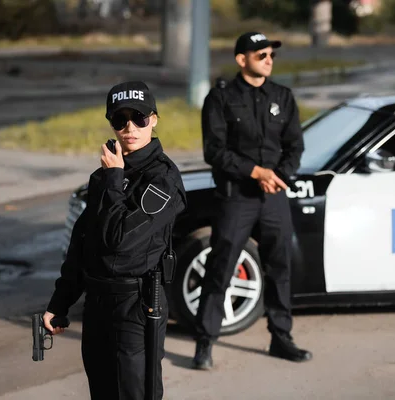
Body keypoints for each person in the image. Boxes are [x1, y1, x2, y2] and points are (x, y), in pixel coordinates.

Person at [42, 80, 187, 399]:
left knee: (133, 393)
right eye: (120, 119)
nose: (130, 127)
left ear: (154, 119)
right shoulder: (106, 174)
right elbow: (83, 243)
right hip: (97, 304)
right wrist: (60, 301)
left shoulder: (163, 179)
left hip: (135, 305)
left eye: (139, 117)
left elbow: (121, 241)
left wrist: (113, 178)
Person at [191, 31, 310, 370]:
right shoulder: (221, 98)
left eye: (271, 54)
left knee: (280, 265)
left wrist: (279, 176)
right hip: (236, 196)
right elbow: (214, 150)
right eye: (261, 55)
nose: (269, 60)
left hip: (273, 196)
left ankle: (281, 336)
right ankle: (205, 340)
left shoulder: (283, 97)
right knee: (221, 265)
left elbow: (295, 146)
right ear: (241, 60)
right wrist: (256, 171)